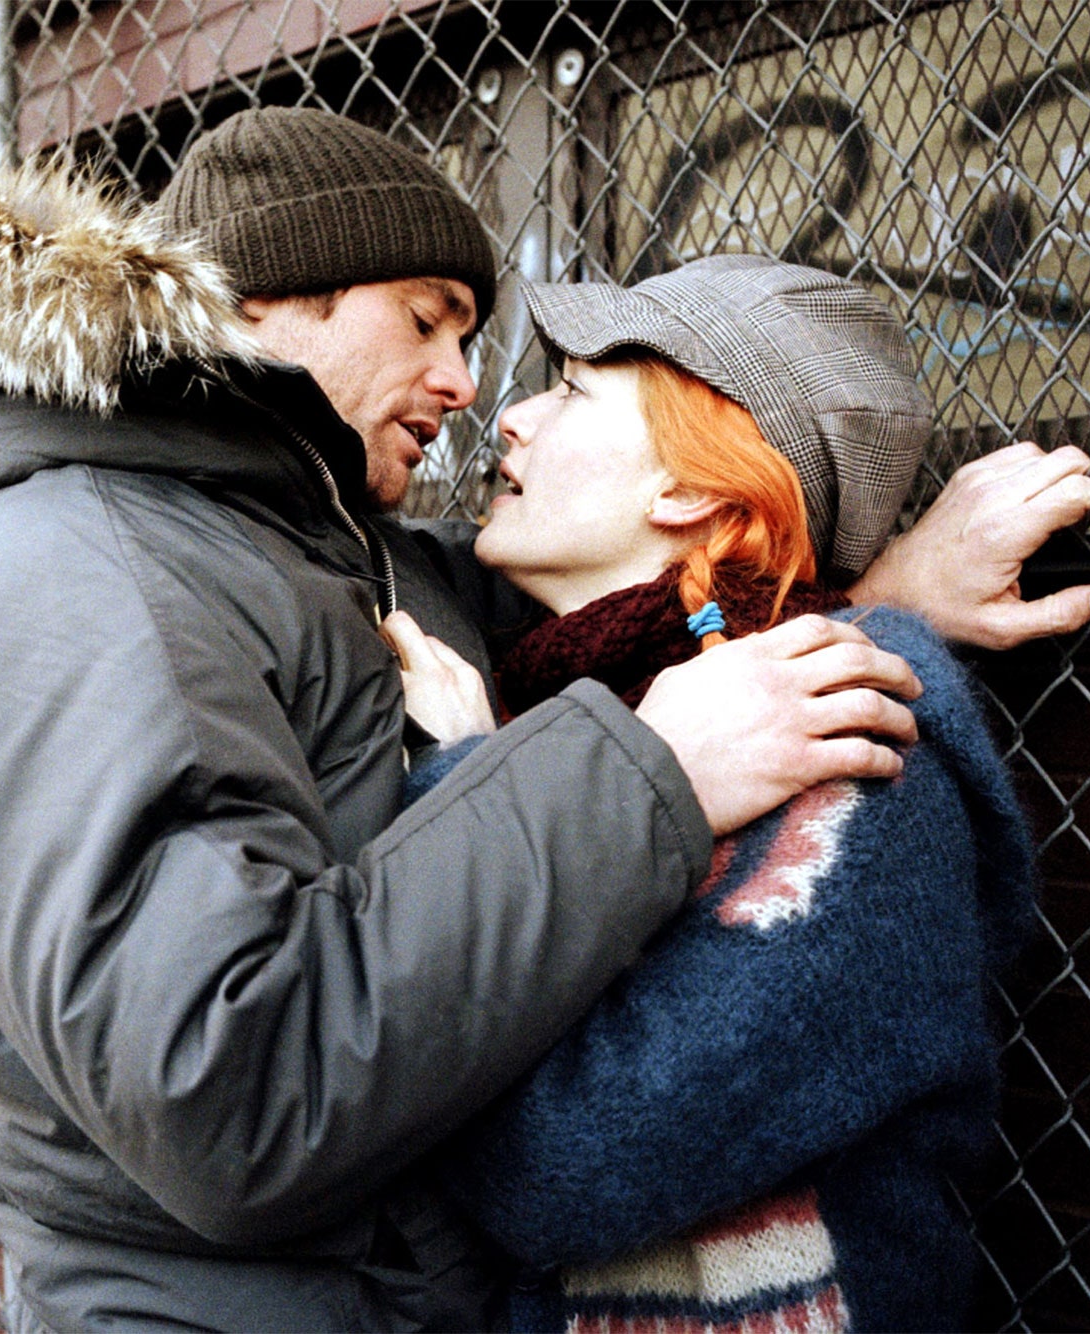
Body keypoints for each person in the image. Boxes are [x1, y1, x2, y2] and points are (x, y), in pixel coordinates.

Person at [0, 107, 1090, 1330]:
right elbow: (234, 1087)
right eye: (427, 320)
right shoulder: (59, 578)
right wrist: (640, 769)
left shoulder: (326, 551)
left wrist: (879, 593)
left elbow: (651, 610)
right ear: (267, 295)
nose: (470, 388)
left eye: (494, 350)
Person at [392, 256, 1037, 1332]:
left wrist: (472, 788)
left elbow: (563, 1164)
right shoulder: (579, 708)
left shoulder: (850, 757)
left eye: (571, 391)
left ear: (688, 489)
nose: (511, 417)